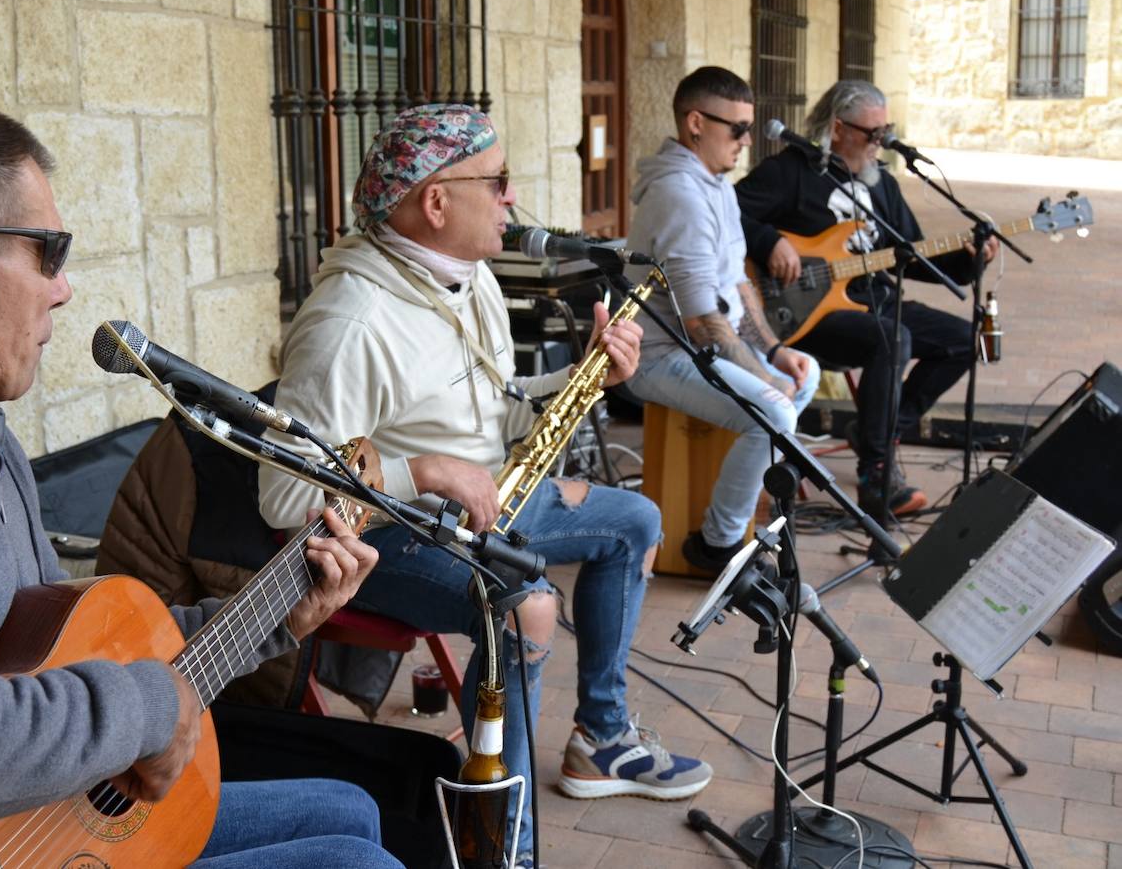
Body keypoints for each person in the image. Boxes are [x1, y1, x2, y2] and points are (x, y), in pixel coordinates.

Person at [0, 95, 399, 869]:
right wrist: (144, 710)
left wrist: (276, 616)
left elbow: (70, 659)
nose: (62, 288)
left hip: (43, 821)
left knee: (350, 810)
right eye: (48, 252)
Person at [256, 103, 713, 868]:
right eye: (497, 181)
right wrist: (424, 472)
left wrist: (587, 375)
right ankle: (505, 851)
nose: (512, 198)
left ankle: (601, 737)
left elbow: (499, 403)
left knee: (635, 519)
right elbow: (280, 497)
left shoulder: (466, 277)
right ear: (435, 203)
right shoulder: (350, 322)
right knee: (525, 608)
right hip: (388, 530)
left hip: (484, 499)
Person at [736, 79, 997, 517]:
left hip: (874, 301)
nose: (883, 143)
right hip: (805, 312)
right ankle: (877, 474)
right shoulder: (789, 172)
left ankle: (880, 431)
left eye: (887, 131)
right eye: (874, 134)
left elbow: (911, 258)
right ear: (838, 129)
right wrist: (767, 242)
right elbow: (725, 210)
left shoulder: (883, 186)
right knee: (890, 341)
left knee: (964, 339)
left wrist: (971, 262)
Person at [623, 66, 820, 571]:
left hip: (707, 343)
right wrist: (768, 380)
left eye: (749, 128)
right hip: (661, 355)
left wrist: (776, 353)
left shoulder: (717, 187)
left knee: (805, 371)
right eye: (737, 129)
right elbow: (700, 323)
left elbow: (737, 286)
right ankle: (718, 543)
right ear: (695, 123)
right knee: (774, 413)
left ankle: (758, 496)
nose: (747, 141)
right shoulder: (679, 196)